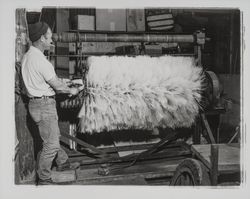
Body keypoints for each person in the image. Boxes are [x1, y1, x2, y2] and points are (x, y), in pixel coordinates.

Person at [21, 22, 81, 185]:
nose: (52, 41)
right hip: (44, 105)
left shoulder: (28, 56)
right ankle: (45, 177)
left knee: (51, 138)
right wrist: (72, 90)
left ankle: (63, 163)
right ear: (41, 38)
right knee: (52, 144)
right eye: (49, 38)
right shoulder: (41, 61)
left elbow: (46, 80)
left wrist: (67, 81)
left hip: (36, 104)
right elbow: (57, 86)